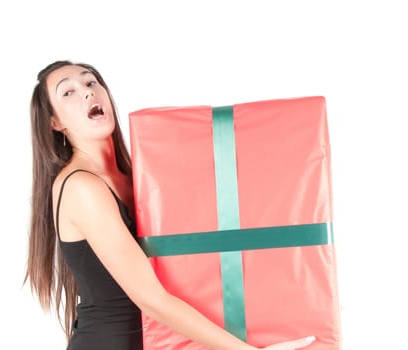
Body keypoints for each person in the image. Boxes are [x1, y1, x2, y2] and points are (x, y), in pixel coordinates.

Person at [24, 60, 317, 350]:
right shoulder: (81, 187)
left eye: (90, 82)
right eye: (68, 92)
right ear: (55, 122)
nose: (88, 93)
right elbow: (152, 300)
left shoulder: (136, 178)